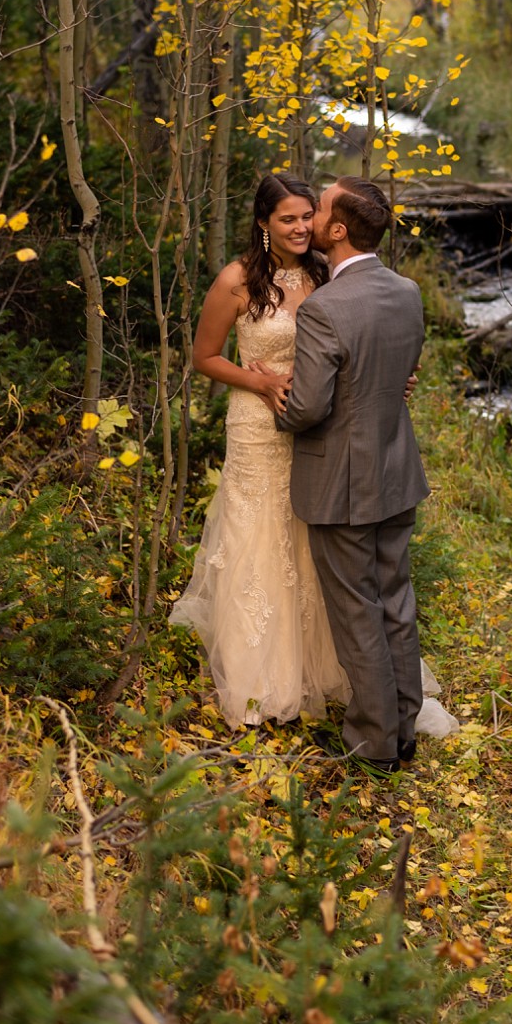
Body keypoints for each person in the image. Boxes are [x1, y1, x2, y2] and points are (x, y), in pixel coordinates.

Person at [168, 174, 350, 727]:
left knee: (306, 534)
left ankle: (321, 671)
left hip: (317, 424)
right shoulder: (238, 279)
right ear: (264, 224)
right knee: (260, 534)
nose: (299, 228)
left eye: (305, 217)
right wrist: (261, 384)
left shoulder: (325, 273)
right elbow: (205, 357)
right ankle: (259, 681)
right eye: (287, 219)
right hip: (256, 426)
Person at [274, 177, 430, 776]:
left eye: (322, 208)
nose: (310, 214)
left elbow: (308, 407)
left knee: (357, 609)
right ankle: (404, 725)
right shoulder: (407, 292)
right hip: (395, 470)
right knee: (395, 599)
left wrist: (273, 401)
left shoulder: (325, 308)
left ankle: (373, 743)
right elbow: (395, 373)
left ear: (337, 231)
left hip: (340, 482)